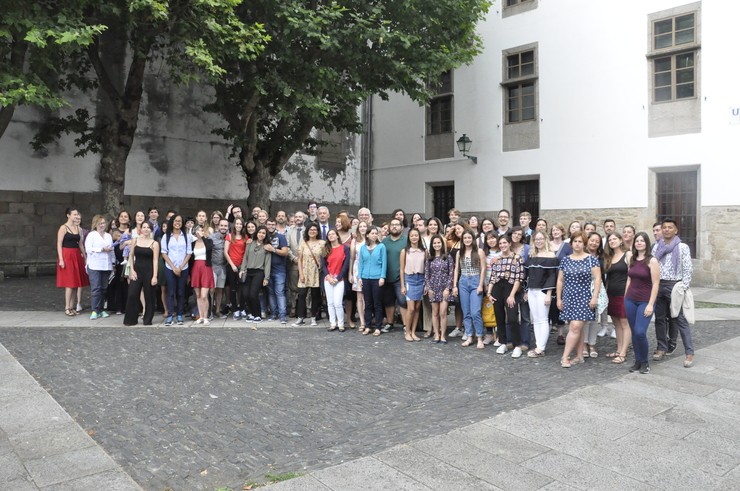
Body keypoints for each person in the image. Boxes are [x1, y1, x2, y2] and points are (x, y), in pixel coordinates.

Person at [652, 218, 694, 368]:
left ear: (676, 230)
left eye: (670, 227)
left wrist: (683, 287)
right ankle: (662, 347)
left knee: (680, 319)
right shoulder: (656, 247)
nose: (667, 229)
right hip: (659, 285)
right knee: (660, 319)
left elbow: (688, 268)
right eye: (664, 227)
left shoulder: (682, 247)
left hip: (675, 286)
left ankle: (689, 352)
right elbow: (652, 266)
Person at [556, 231, 602, 368]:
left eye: (580, 241)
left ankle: (565, 357)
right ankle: (580, 355)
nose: (577, 244)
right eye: (575, 241)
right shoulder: (565, 260)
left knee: (575, 327)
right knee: (577, 329)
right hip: (569, 297)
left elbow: (598, 279)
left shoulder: (591, 259)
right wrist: (559, 298)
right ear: (571, 244)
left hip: (585, 298)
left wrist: (594, 297)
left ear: (584, 243)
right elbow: (560, 280)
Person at [625, 232, 660, 374]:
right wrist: (625, 297)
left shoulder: (652, 261)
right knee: (634, 332)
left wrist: (651, 304)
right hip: (630, 300)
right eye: (637, 241)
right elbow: (629, 279)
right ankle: (637, 361)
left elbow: (656, 283)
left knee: (640, 332)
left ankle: (645, 362)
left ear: (646, 243)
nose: (639, 243)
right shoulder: (631, 258)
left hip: (645, 300)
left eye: (642, 241)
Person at [486, 235, 523, 356]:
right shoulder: (497, 259)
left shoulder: (517, 258)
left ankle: (517, 344)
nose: (502, 245)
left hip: (510, 288)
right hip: (497, 288)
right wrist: (489, 293)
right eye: (500, 243)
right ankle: (503, 342)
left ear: (509, 243)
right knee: (499, 317)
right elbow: (493, 277)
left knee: (512, 317)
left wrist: (512, 295)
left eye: (504, 243)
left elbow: (518, 278)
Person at [524, 231, 559, 357]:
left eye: (541, 239)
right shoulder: (532, 255)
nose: (538, 241)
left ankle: (541, 348)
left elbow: (552, 276)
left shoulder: (551, 256)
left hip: (543, 291)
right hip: (532, 290)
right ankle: (539, 345)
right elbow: (528, 275)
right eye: (536, 239)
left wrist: (549, 294)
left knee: (543, 319)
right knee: (536, 319)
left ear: (545, 240)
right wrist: (527, 290)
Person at [454, 230, 487, 349]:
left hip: (475, 281)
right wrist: (454, 286)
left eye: (469, 237)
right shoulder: (459, 252)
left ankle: (479, 336)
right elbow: (456, 269)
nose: (467, 240)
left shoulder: (479, 251)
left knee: (475, 312)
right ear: (462, 240)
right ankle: (469, 336)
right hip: (463, 281)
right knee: (466, 312)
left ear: (473, 239)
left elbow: (483, 268)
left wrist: (480, 285)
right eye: (465, 238)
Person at [123, 222, 159, 326]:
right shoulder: (135, 240)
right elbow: (131, 255)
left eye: (148, 227)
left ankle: (147, 320)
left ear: (151, 230)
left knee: (149, 296)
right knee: (132, 294)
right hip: (137, 270)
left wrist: (155, 276)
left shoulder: (154, 243)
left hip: (149, 271)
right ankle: (130, 319)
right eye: (144, 227)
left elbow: (155, 260)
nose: (146, 229)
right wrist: (132, 270)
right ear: (141, 229)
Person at [603, 232, 631, 364]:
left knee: (625, 323)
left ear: (621, 240)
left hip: (623, 294)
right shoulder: (609, 257)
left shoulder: (628, 254)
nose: (612, 241)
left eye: (614, 239)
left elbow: (631, 275)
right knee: (616, 324)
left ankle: (624, 352)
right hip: (611, 294)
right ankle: (619, 349)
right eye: (610, 240)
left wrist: (627, 294)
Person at [161, 214, 193, 326]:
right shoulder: (167, 236)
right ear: (172, 222)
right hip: (170, 268)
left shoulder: (186, 236)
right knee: (170, 292)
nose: (177, 223)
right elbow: (164, 253)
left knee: (181, 292)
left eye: (179, 221)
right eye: (175, 221)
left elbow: (189, 252)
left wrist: (180, 267)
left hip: (183, 268)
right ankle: (170, 315)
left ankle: (179, 314)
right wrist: (174, 267)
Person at [56, 208, 89, 316]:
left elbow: (80, 244)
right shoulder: (63, 228)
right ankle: (67, 307)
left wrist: (85, 257)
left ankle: (72, 306)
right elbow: (59, 244)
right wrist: (61, 259)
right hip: (67, 255)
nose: (76, 216)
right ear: (68, 215)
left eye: (77, 214)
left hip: (76, 255)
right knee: (69, 283)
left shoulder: (78, 228)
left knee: (76, 283)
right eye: (74, 214)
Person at [85, 215, 115, 319]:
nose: (102, 225)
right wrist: (101, 249)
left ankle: (101, 309)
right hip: (95, 264)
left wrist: (113, 262)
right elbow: (88, 249)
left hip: (106, 265)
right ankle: (95, 309)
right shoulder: (91, 235)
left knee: (103, 288)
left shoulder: (108, 236)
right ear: (96, 224)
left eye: (103, 223)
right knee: (96, 288)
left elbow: (112, 250)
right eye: (100, 223)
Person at [425, 234, 454, 343]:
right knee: (435, 312)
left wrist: (448, 288)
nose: (437, 245)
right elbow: (427, 274)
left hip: (444, 287)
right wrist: (429, 288)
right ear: (432, 245)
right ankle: (436, 334)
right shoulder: (429, 258)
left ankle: (443, 335)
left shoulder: (448, 257)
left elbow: (451, 273)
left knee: (443, 312)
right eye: (435, 243)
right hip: (433, 287)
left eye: (439, 243)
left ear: (442, 244)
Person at [294, 223, 324, 326]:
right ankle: (300, 317)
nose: (312, 231)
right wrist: (301, 273)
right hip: (305, 271)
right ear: (307, 231)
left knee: (315, 296)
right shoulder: (303, 243)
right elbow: (299, 259)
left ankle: (313, 317)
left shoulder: (322, 243)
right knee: (302, 295)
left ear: (318, 231)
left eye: (314, 230)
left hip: (316, 273)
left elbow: (325, 257)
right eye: (310, 230)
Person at [358, 226, 387, 336]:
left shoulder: (381, 246)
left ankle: (378, 326)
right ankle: (368, 325)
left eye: (376, 233)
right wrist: (360, 277)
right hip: (365, 277)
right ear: (367, 235)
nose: (374, 235)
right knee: (368, 303)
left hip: (377, 278)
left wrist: (382, 277)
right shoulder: (363, 248)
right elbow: (361, 263)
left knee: (377, 303)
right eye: (372, 233)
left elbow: (384, 262)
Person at [381, 218, 408, 332]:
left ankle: (406, 325)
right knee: (388, 301)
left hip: (400, 277)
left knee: (402, 301)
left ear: (401, 227)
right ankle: (390, 323)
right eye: (392, 225)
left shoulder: (406, 240)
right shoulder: (384, 242)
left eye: (397, 225)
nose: (394, 227)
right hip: (387, 276)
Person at [240, 225, 272, 323]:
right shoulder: (250, 243)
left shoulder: (267, 246)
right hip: (248, 271)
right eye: (259, 232)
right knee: (245, 294)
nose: (261, 234)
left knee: (253, 294)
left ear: (266, 235)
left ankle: (257, 315)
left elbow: (267, 263)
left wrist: (266, 278)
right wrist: (242, 269)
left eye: (263, 233)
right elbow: (245, 257)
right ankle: (251, 314)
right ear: (256, 233)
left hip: (259, 272)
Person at [400, 228, 426, 341]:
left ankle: (414, 332)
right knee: (410, 308)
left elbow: (426, 268)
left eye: (416, 235)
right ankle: (408, 331)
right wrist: (402, 285)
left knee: (417, 307)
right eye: (412, 235)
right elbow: (401, 269)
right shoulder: (405, 251)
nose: (414, 237)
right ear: (409, 237)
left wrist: (426, 283)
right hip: (409, 279)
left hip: (420, 279)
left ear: (419, 237)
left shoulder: (424, 251)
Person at [322, 229, 351, 331]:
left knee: (338, 303)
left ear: (337, 236)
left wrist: (338, 278)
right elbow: (323, 265)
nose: (331, 236)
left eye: (333, 234)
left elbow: (346, 265)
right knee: (330, 303)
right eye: (329, 234)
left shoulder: (345, 248)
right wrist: (328, 277)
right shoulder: (326, 249)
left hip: (340, 279)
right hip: (328, 279)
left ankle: (341, 324)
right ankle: (332, 323)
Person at [265, 218, 289, 324]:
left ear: (275, 225)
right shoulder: (263, 236)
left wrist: (273, 249)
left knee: (279, 292)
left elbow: (285, 252)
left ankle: (282, 315)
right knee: (270, 293)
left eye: (272, 224)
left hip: (279, 270)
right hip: (267, 270)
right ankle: (274, 313)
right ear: (266, 225)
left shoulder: (281, 237)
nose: (270, 226)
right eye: (269, 224)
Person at [189, 225, 215, 325]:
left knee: (204, 295)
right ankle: (200, 316)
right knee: (198, 295)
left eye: (202, 230)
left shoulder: (208, 241)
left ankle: (206, 316)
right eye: (199, 230)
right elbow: (190, 257)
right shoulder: (192, 244)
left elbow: (209, 248)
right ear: (195, 232)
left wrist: (203, 237)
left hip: (206, 268)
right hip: (196, 268)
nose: (201, 232)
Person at [225, 217, 249, 320]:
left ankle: (242, 308)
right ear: (234, 225)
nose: (238, 225)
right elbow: (225, 252)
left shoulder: (246, 237)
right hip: (232, 266)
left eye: (240, 224)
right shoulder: (229, 236)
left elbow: (247, 253)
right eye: (237, 223)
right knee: (233, 289)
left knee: (242, 289)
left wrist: (243, 267)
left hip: (242, 266)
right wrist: (232, 265)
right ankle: (235, 310)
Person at [349, 220, 368, 331]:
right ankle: (362, 321)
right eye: (360, 226)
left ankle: (368, 319)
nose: (362, 228)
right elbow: (352, 258)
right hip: (357, 268)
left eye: (365, 226)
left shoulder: (372, 239)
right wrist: (350, 273)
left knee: (368, 297)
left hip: (369, 269)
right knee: (360, 297)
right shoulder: (355, 241)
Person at [482, 231, 500, 345]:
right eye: (489, 239)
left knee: (498, 310)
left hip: (498, 284)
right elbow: (482, 270)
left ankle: (498, 335)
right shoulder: (484, 253)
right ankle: (489, 334)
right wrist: (484, 284)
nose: (491, 241)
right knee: (487, 309)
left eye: (493, 238)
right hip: (486, 284)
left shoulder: (502, 252)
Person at [209, 218, 229, 318]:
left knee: (220, 290)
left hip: (223, 268)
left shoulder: (230, 237)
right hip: (213, 266)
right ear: (218, 226)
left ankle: (217, 310)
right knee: (211, 290)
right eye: (222, 225)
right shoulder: (212, 237)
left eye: (225, 226)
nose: (223, 227)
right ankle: (209, 311)